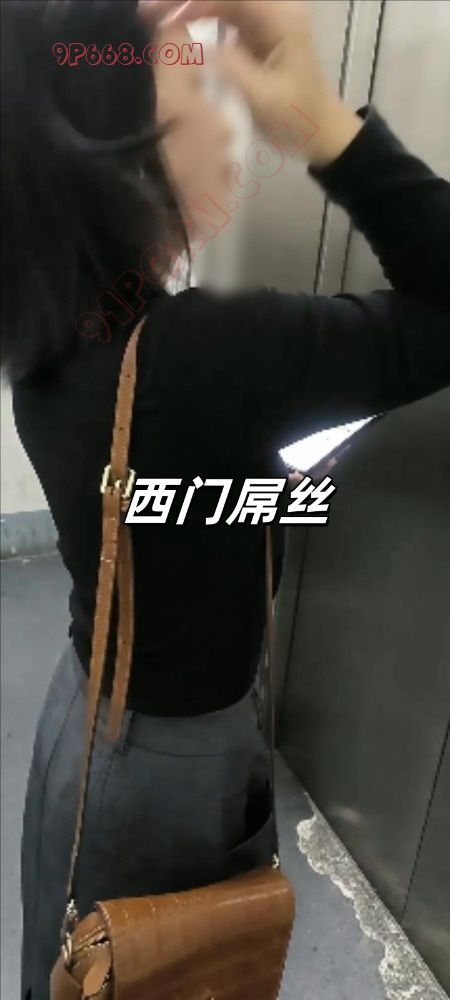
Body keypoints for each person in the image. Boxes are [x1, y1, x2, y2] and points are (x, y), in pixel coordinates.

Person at [1, 1, 449, 997]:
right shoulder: (203, 352)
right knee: (166, 969)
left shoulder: (51, 317)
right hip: (174, 756)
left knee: (86, 965)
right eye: (195, 91)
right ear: (123, 157)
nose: (228, 115)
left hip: (90, 714)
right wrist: (327, 126)